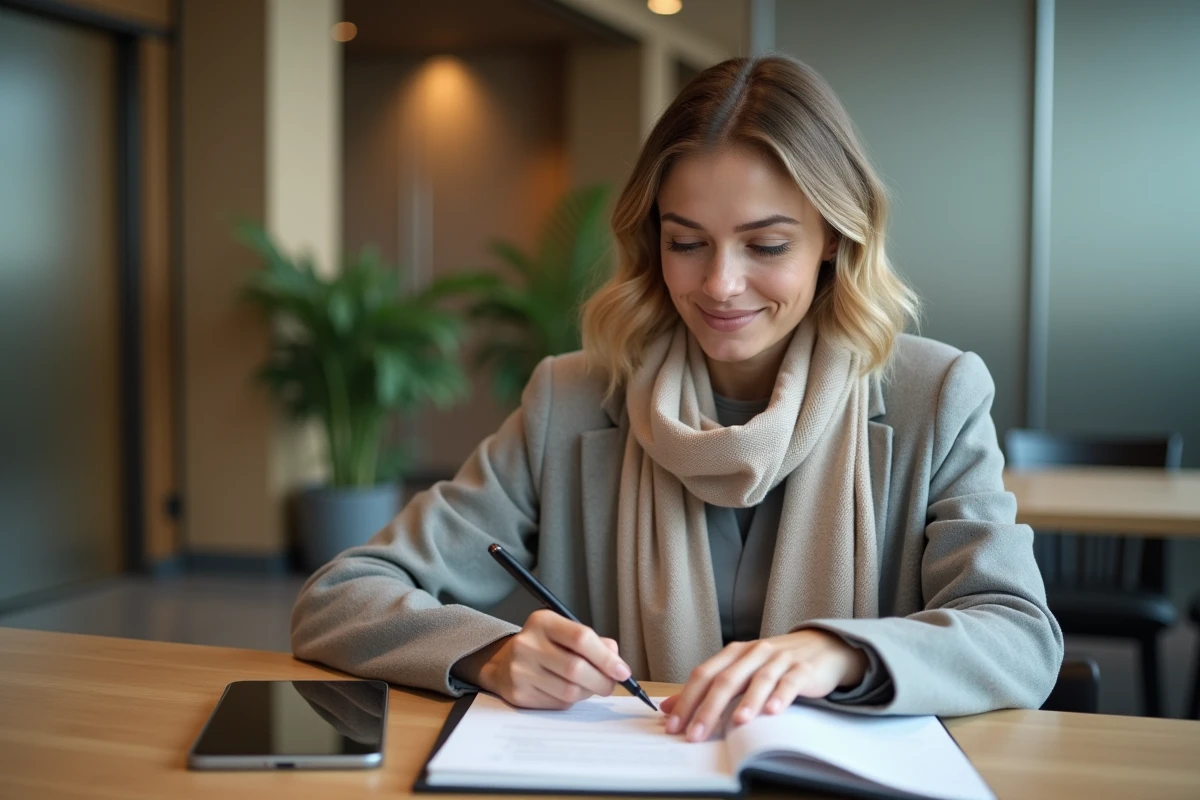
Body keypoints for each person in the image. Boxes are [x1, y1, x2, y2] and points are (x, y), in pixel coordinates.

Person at [291, 55, 1063, 743]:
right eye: (686, 242)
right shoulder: (572, 398)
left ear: (834, 236)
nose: (720, 284)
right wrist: (491, 653)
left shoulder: (936, 393)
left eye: (766, 245)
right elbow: (340, 598)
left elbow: (1020, 635)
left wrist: (840, 651)